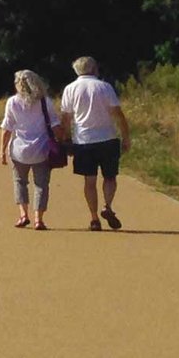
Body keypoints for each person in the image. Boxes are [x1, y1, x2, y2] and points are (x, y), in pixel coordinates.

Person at [61, 55, 130, 231]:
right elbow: (118, 114)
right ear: (94, 69)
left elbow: (66, 119)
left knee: (89, 180)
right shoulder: (105, 87)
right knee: (110, 176)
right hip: (107, 138)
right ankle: (107, 206)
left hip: (84, 140)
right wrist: (126, 136)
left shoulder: (70, 89)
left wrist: (66, 139)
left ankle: (93, 218)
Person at [0, 69, 64, 230]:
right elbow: (55, 125)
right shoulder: (45, 102)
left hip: (19, 150)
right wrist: (62, 139)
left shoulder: (12, 102)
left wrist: (2, 150)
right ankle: (38, 219)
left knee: (20, 182)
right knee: (41, 184)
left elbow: (7, 128)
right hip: (41, 150)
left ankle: (23, 214)